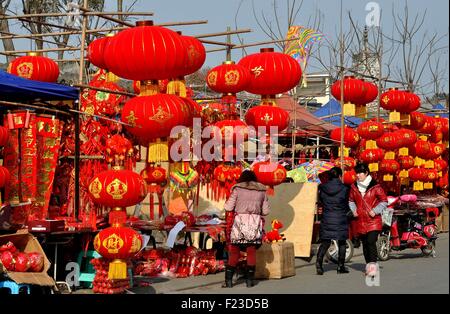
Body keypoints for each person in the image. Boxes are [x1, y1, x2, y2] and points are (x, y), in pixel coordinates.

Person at [223, 170, 270, 288]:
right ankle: (250, 281)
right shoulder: (262, 191)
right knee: (251, 251)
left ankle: (228, 281)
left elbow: (228, 207)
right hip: (254, 224)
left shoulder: (237, 190)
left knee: (234, 251)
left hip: (239, 223)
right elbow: (266, 211)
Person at [349, 163, 388, 276]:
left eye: (360, 172)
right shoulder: (354, 187)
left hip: (373, 220)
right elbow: (351, 200)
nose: (358, 175)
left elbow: (384, 201)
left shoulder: (376, 187)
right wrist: (354, 210)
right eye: (357, 173)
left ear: (366, 173)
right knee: (365, 244)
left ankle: (372, 269)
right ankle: (369, 266)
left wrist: (375, 211)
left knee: (371, 242)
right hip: (360, 220)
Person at [315, 167, 351, 275]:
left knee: (325, 241)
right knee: (342, 242)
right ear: (340, 176)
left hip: (327, 217)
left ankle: (319, 263)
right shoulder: (345, 188)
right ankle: (341, 266)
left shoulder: (322, 187)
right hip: (340, 217)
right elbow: (346, 202)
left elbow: (320, 201)